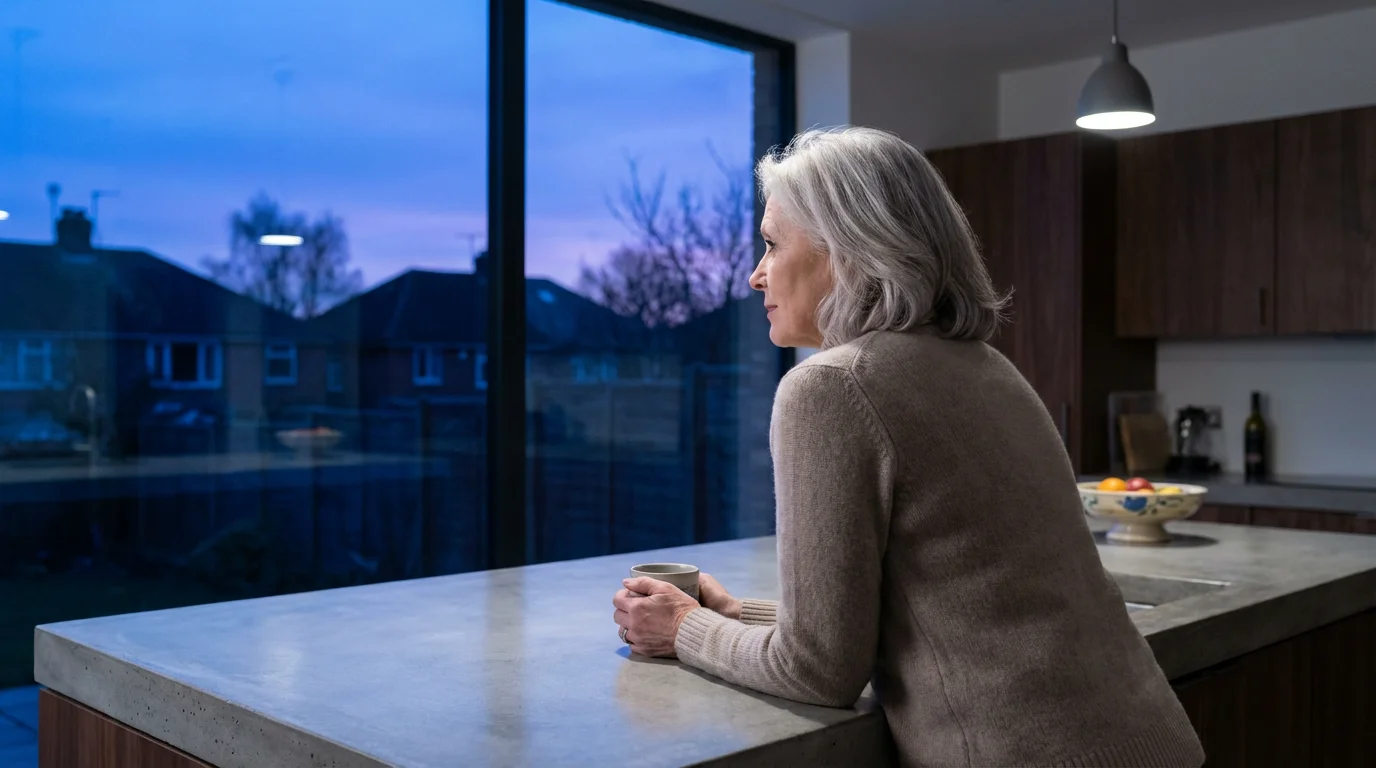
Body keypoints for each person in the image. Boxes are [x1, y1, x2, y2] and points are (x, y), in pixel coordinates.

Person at [612, 126, 1205, 767]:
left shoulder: (830, 385)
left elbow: (816, 674)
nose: (756, 276)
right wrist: (732, 612)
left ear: (847, 250)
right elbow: (932, 617)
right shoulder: (985, 366)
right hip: (1149, 740)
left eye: (772, 245)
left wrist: (683, 629)